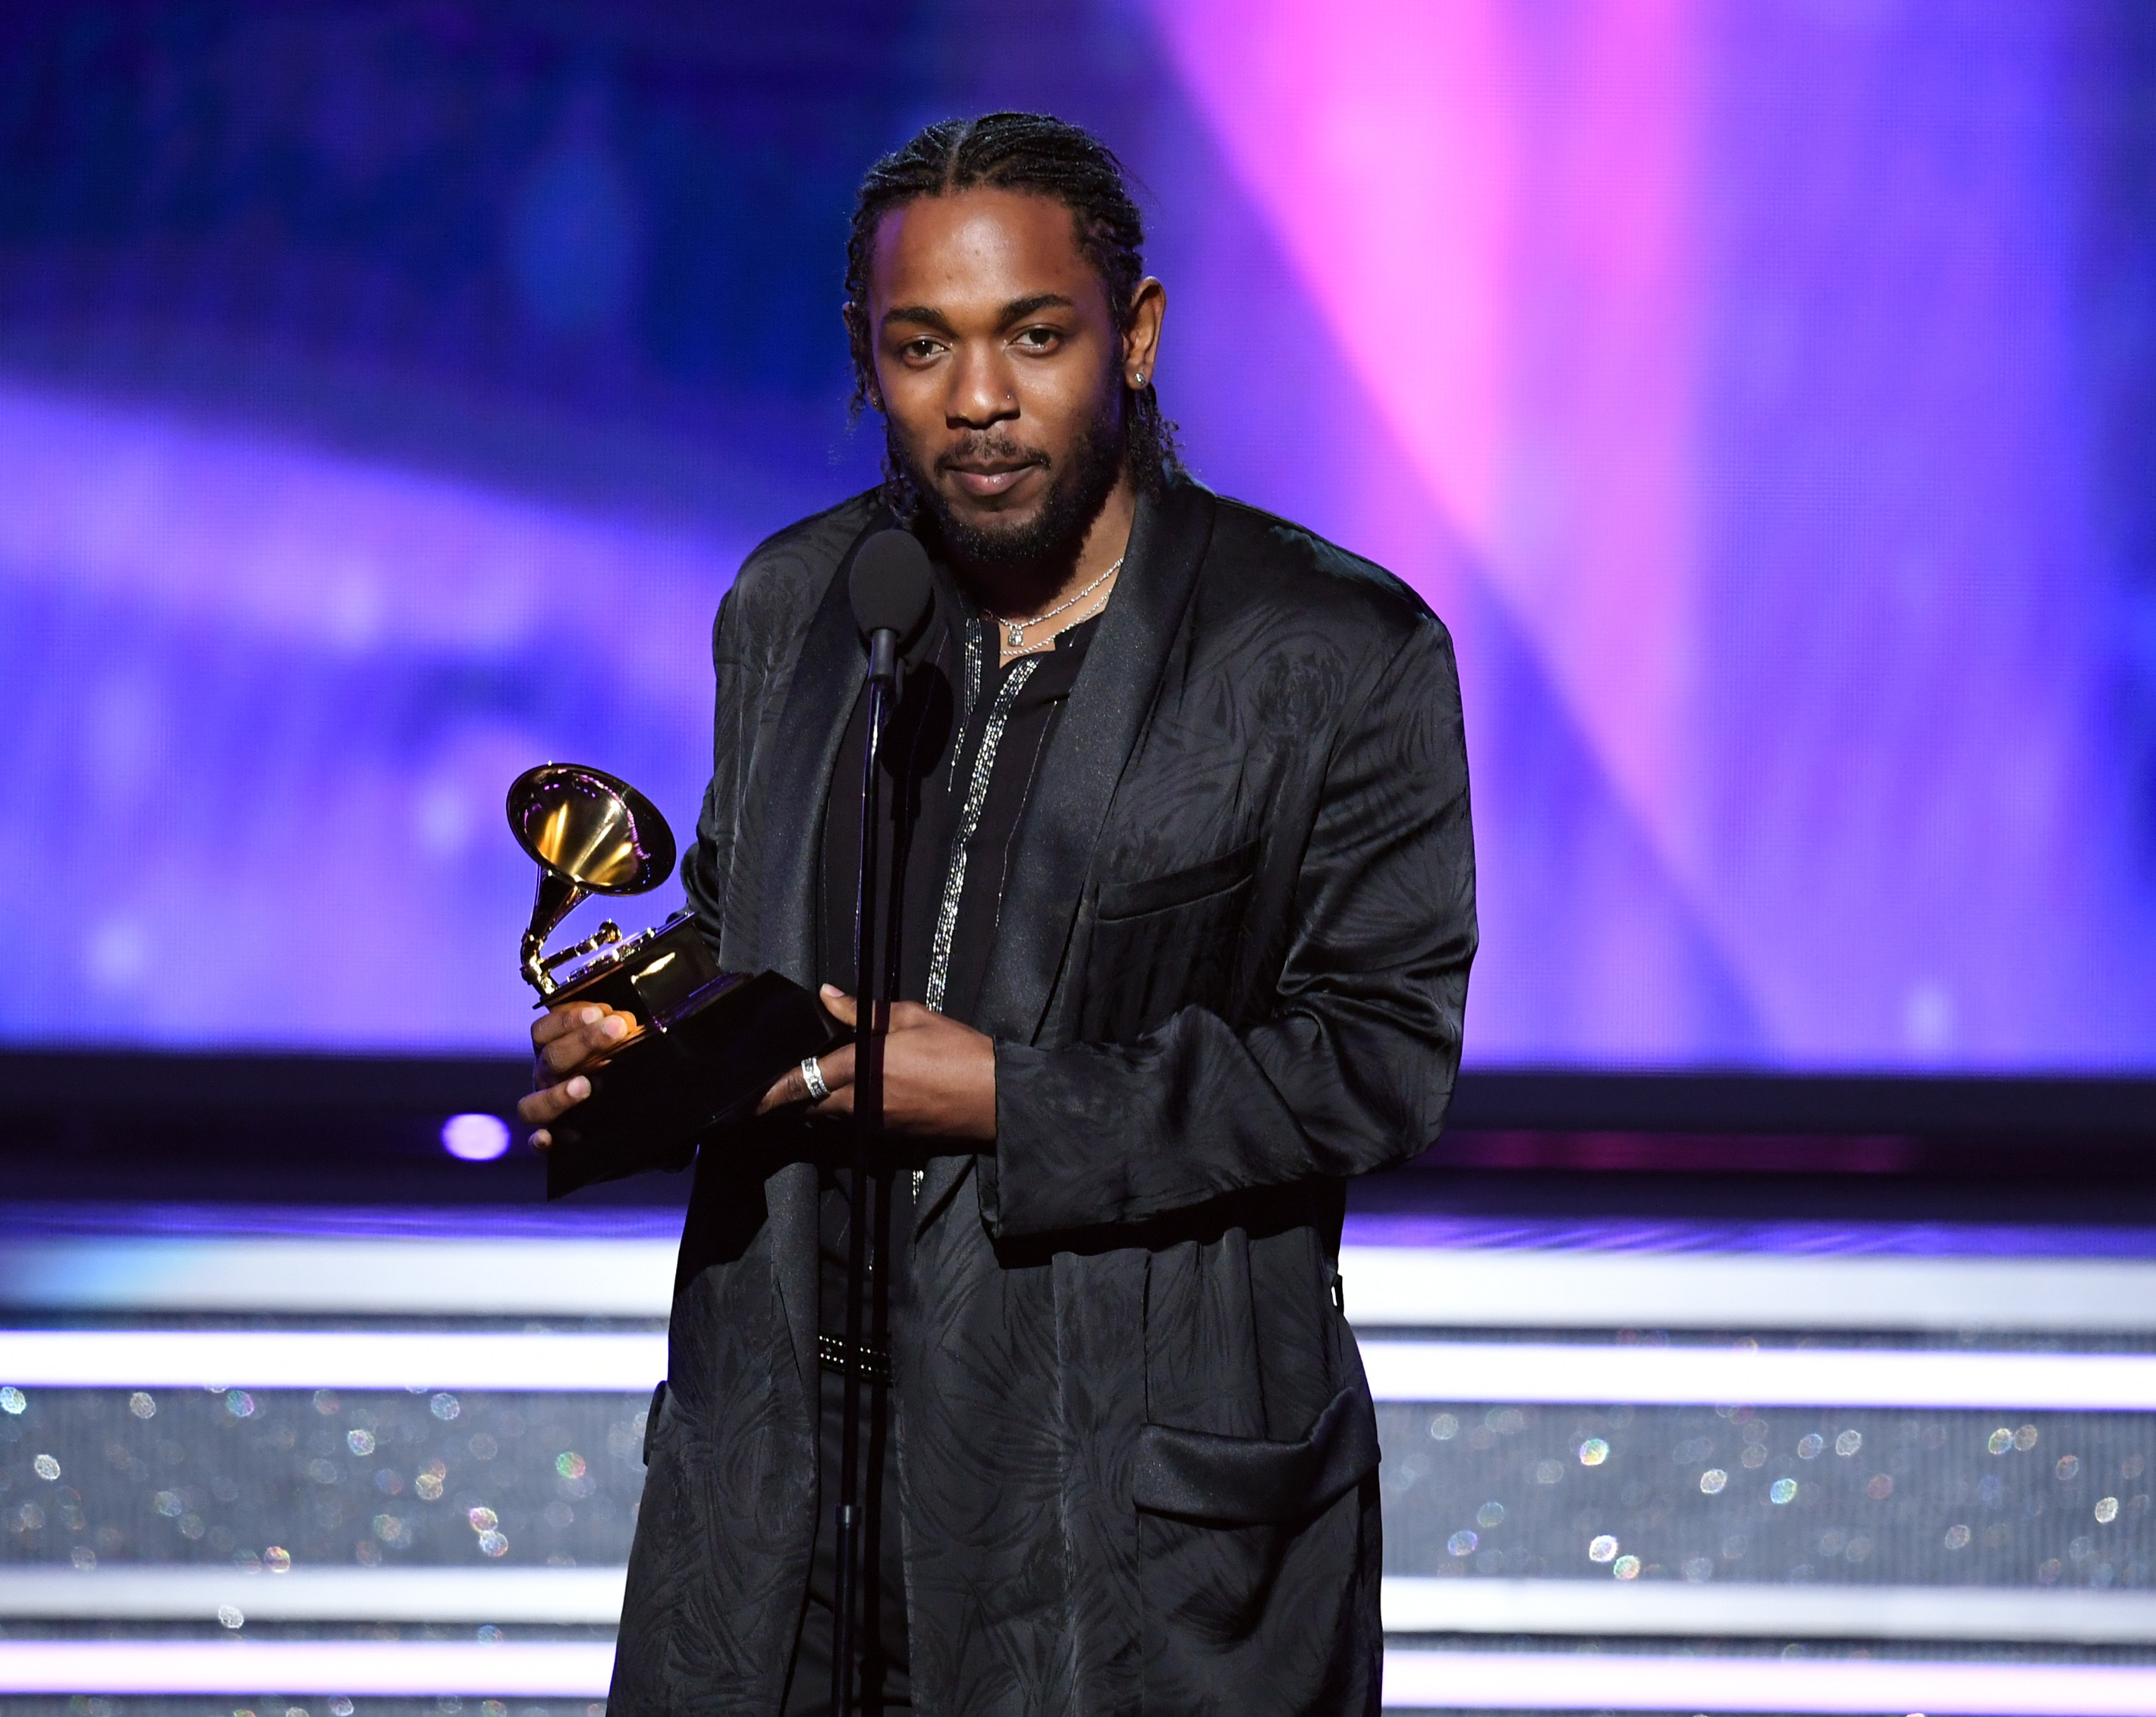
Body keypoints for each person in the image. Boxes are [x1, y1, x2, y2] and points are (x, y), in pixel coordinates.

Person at [519, 112, 1476, 1717]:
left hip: (1120, 1516)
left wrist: (1001, 1092)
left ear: (1137, 335)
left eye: (1035, 336)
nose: (979, 401)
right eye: (924, 346)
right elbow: (751, 938)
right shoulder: (795, 607)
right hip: (779, 1506)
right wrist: (645, 1038)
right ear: (865, 358)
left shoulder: (1333, 651)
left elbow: (1374, 1060)